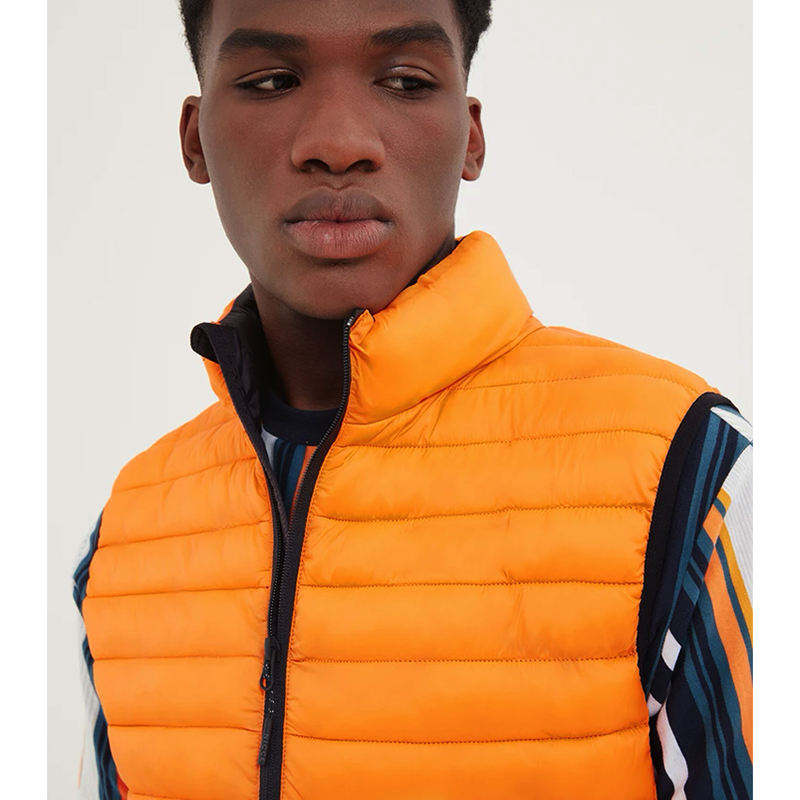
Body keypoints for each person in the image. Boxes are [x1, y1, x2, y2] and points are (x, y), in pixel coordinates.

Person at [72, 1, 753, 798]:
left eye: (404, 80)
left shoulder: (684, 470)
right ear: (194, 140)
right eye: (272, 81)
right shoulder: (129, 537)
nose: (338, 144)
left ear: (471, 138)